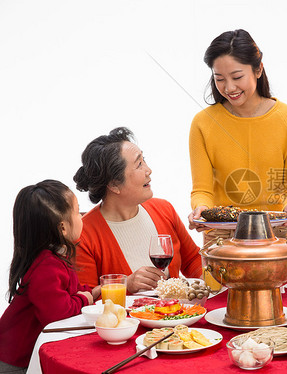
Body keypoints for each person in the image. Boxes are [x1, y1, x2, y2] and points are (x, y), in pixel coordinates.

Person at [188, 29, 287, 241]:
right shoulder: (203, 123)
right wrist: (201, 209)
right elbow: (202, 190)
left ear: (258, 69)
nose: (229, 87)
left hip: (272, 237)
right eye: (220, 79)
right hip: (221, 239)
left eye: (237, 77)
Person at [74, 127, 201, 293]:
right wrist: (124, 285)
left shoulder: (163, 209)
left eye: (144, 160)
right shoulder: (83, 235)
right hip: (127, 319)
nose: (149, 170)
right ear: (114, 185)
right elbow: (83, 301)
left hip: (177, 316)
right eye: (139, 164)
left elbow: (192, 260)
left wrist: (211, 279)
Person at [0, 180, 98, 372]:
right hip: (13, 359)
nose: (82, 216)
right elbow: (57, 313)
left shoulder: (55, 257)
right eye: (77, 211)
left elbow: (68, 293)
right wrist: (85, 299)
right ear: (62, 227)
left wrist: (92, 292)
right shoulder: (47, 265)